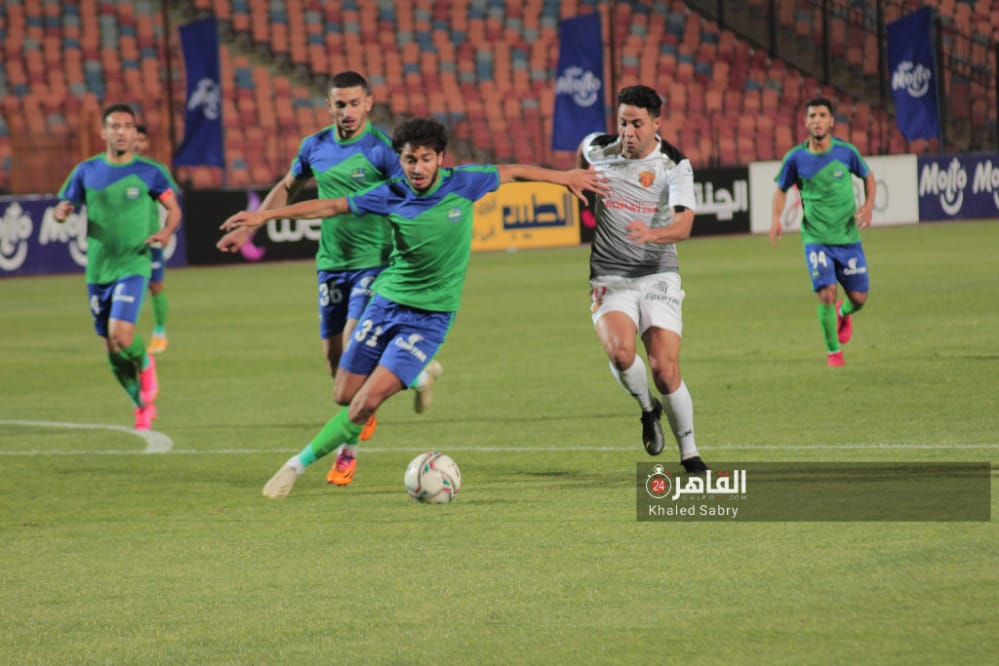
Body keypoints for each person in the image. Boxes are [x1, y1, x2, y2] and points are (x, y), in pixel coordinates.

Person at [219, 117, 606, 499]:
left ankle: (294, 466)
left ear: (440, 158)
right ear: (400, 160)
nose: (417, 168)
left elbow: (515, 173)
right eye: (409, 160)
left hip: (429, 318)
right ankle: (419, 376)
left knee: (365, 403)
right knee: (343, 394)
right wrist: (263, 217)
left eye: (425, 159)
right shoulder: (391, 193)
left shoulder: (464, 183)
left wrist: (564, 177)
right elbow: (331, 206)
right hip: (386, 303)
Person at [217, 71, 435, 487]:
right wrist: (250, 228)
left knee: (355, 344)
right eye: (340, 104)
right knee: (338, 368)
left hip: (376, 262)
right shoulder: (314, 146)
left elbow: (410, 199)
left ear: (368, 103)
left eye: (354, 103)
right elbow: (288, 187)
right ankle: (417, 374)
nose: (347, 112)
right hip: (332, 264)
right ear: (329, 106)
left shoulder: (383, 150)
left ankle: (347, 452)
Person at [578, 84, 709, 473]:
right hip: (610, 274)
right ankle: (648, 409)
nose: (628, 132)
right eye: (623, 122)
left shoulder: (674, 164)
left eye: (637, 124)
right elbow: (581, 161)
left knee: (664, 369)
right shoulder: (597, 149)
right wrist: (580, 185)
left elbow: (684, 225)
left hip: (657, 274)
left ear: (656, 124)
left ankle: (690, 454)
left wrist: (652, 234)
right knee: (620, 353)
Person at [54, 103, 182, 429]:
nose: (121, 132)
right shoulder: (86, 171)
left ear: (135, 132)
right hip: (98, 270)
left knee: (121, 334)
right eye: (114, 126)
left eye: (127, 126)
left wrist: (167, 231)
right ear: (104, 132)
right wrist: (62, 212)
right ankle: (139, 404)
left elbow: (174, 209)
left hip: (134, 262)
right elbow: (65, 204)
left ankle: (146, 361)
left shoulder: (150, 171)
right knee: (110, 347)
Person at [769, 96, 875, 367]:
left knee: (859, 298)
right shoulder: (795, 158)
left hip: (848, 237)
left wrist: (868, 206)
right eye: (812, 116)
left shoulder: (846, 152)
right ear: (805, 122)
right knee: (827, 292)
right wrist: (776, 218)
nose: (817, 121)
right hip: (816, 238)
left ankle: (843, 312)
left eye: (822, 116)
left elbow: (868, 176)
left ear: (831, 121)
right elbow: (781, 189)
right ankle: (833, 352)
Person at [132, 123, 177, 354]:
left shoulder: (155, 170)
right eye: (134, 139)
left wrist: (168, 230)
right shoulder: (112, 169)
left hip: (150, 237)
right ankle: (124, 332)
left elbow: (174, 202)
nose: (137, 144)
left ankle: (160, 332)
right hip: (124, 240)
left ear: (147, 143)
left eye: (141, 140)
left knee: (156, 285)